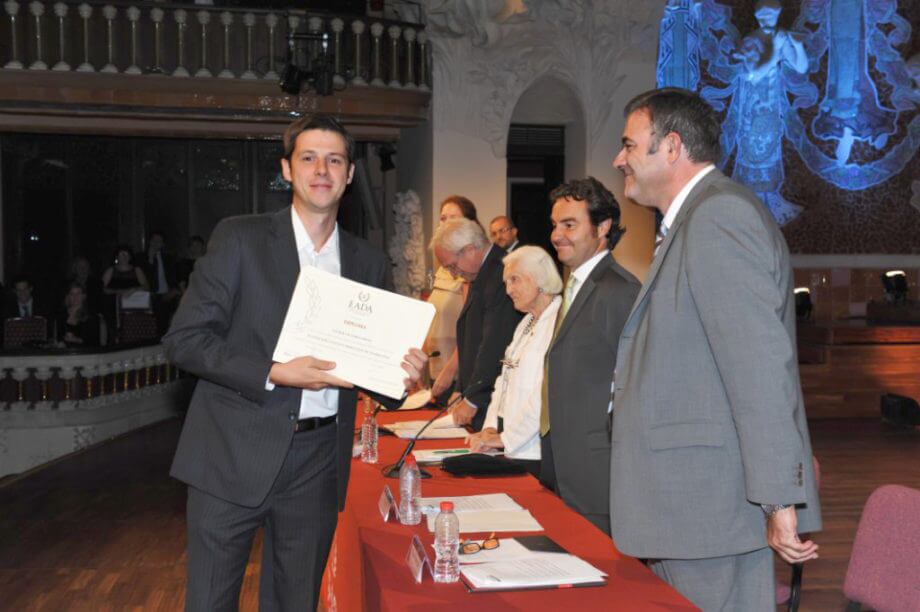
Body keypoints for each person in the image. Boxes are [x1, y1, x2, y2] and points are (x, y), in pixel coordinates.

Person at [163, 114, 427, 611]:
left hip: (317, 460)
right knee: (210, 602)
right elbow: (185, 340)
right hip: (231, 452)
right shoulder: (239, 238)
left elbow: (380, 374)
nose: (321, 169)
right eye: (308, 158)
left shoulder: (367, 261)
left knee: (295, 604)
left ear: (350, 174)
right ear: (287, 169)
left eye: (334, 159)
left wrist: (405, 373)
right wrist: (274, 371)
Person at [609, 87, 821, 610]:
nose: (619, 160)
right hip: (685, 505)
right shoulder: (693, 219)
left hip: (709, 506)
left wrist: (778, 498)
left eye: (630, 146)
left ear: (672, 147)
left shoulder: (718, 217)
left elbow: (758, 369)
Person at [539, 177, 640, 535]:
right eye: (554, 225)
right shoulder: (574, 286)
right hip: (562, 465)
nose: (556, 235)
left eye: (569, 225)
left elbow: (634, 386)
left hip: (598, 473)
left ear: (603, 227)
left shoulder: (619, 291)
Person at [466, 246, 562, 478]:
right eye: (506, 282)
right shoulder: (526, 321)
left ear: (539, 279)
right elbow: (504, 379)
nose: (508, 290)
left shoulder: (558, 323)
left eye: (514, 280)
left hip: (535, 452)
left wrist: (504, 439)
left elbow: (543, 395)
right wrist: (489, 427)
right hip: (511, 446)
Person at [430, 217, 521, 431]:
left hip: (494, 400)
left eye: (452, 265)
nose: (453, 274)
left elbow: (495, 343)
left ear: (470, 249)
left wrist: (473, 399)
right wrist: (462, 389)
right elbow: (471, 339)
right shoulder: (481, 273)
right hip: (481, 397)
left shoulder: (502, 273)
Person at [427, 196, 479, 385]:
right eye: (443, 218)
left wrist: (450, 373)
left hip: (456, 375)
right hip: (435, 365)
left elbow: (471, 330)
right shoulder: (442, 267)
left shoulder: (469, 271)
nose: (445, 223)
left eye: (453, 218)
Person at [140, 230, 180, 335]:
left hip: (167, 294)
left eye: (159, 241)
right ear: (150, 241)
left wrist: (174, 290)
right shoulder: (141, 257)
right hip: (152, 295)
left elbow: (173, 276)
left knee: (167, 323)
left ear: (163, 244)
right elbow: (144, 278)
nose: (157, 243)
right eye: (154, 240)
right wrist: (150, 260)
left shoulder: (168, 258)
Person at [58, 282, 100, 347]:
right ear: (68, 296)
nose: (75, 297)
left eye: (78, 293)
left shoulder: (91, 315)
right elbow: (58, 336)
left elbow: (94, 341)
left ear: (83, 296)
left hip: (83, 352)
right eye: (72, 294)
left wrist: (76, 340)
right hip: (64, 352)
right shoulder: (62, 314)